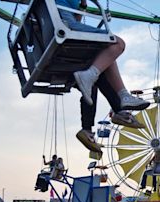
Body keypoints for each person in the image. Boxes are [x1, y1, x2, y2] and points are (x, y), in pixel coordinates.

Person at [54, 0, 150, 150]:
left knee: (97, 72)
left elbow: (75, 18)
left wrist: (83, 5)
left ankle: (97, 124)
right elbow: (69, 21)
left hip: (64, 31)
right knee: (114, 43)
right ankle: (121, 102)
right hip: (65, 30)